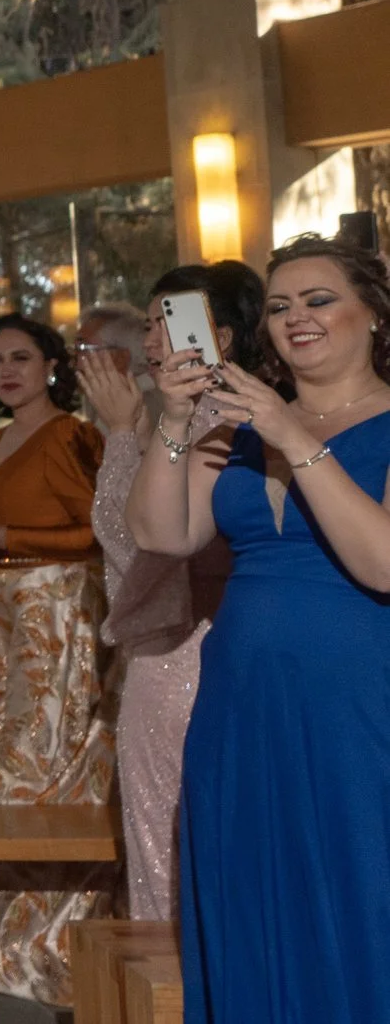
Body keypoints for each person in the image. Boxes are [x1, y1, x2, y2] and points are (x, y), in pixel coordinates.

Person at [132, 235, 390, 1021]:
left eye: (318, 300)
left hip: (355, 701)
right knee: (248, 887)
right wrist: (175, 420)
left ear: (375, 316)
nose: (294, 319)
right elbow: (162, 535)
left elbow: (383, 566)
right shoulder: (243, 423)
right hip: (239, 701)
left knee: (357, 884)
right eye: (279, 306)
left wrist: (293, 436)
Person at [75, 266, 256, 922]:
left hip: (186, 648)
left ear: (225, 338)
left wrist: (123, 432)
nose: (154, 339)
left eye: (169, 322)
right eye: (151, 324)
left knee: (166, 851)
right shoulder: (189, 414)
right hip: (195, 641)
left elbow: (142, 542)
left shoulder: (218, 416)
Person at [0, 312, 111, 1006]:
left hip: (54, 608)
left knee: (38, 761)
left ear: (51, 367)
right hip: (1, 604)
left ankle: (45, 948)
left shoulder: (73, 435)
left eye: (20, 357)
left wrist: (4, 533)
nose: (6, 370)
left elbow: (100, 529)